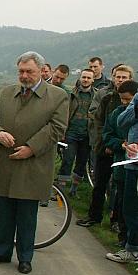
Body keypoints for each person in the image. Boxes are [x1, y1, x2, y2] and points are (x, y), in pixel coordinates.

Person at [0, 51, 68, 274]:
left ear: (41, 71)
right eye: (21, 71)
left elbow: (57, 128)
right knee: (5, 211)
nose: (24, 75)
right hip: (7, 161)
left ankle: (25, 257)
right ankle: (1, 252)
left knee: (27, 215)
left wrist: (31, 148)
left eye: (29, 71)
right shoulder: (5, 94)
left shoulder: (57, 96)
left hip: (34, 164)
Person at [78, 65, 134, 227]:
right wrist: (105, 144)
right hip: (105, 147)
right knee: (99, 184)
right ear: (113, 77)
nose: (120, 80)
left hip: (126, 151)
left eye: (124, 77)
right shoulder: (107, 98)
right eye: (118, 77)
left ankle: (116, 220)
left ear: (130, 78)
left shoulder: (134, 100)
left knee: (120, 188)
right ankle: (94, 216)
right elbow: (99, 123)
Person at [101, 80, 138, 249]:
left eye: (128, 100)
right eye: (122, 99)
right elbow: (108, 133)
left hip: (132, 163)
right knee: (124, 204)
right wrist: (121, 144)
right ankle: (123, 239)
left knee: (130, 206)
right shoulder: (117, 112)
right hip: (122, 163)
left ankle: (129, 243)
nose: (125, 103)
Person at [56, 68, 95, 197]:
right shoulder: (71, 93)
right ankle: (60, 191)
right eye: (84, 77)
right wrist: (62, 131)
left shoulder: (97, 95)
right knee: (67, 161)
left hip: (87, 134)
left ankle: (73, 190)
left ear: (93, 80)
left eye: (89, 78)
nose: (86, 80)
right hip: (71, 133)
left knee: (81, 163)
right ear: (80, 78)